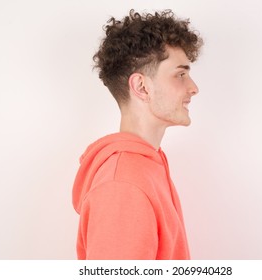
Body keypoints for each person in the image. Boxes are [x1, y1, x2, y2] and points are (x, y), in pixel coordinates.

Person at [72, 9, 203, 260]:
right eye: (180, 74)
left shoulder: (147, 166)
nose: (193, 88)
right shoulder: (123, 185)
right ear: (142, 86)